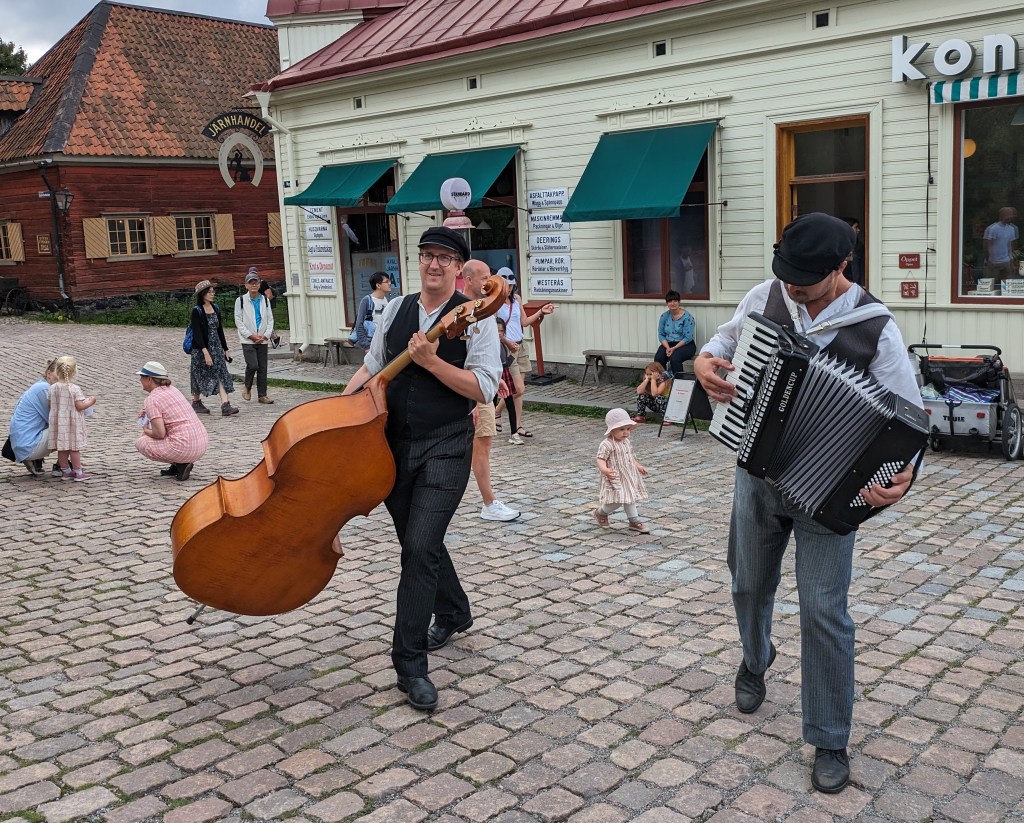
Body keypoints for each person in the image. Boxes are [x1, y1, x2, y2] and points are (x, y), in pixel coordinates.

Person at [694, 212, 923, 795]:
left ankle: (829, 736)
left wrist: (905, 475)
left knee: (824, 612)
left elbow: (909, 421)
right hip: (757, 476)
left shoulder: (876, 328)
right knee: (748, 583)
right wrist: (703, 362)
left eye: (805, 279)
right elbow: (724, 340)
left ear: (841, 266)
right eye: (786, 274)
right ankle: (756, 657)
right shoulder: (766, 295)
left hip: (830, 494)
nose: (792, 286)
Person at [342, 227, 501, 712]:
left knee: (418, 546)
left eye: (444, 258)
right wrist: (337, 413)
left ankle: (410, 665)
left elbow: (483, 388)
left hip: (446, 445)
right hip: (391, 446)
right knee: (420, 542)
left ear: (459, 269)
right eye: (427, 255)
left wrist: (431, 363)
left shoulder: (476, 318)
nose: (434, 264)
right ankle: (453, 610)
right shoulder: (395, 309)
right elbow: (373, 367)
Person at [462, 260, 521, 522]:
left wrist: (494, 379)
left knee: (483, 442)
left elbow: (480, 354)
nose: (489, 282)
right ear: (468, 280)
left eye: (489, 277)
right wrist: (472, 399)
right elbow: (460, 358)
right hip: (469, 390)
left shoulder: (484, 309)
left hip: (481, 386)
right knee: (479, 443)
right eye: (484, 277)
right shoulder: (462, 311)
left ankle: (489, 500)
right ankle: (489, 502)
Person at [495, 268, 555, 439]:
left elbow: (524, 322)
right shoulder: (494, 303)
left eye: (511, 285)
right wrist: (507, 342)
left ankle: (518, 425)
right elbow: (495, 329)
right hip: (507, 348)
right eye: (505, 285)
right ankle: (496, 412)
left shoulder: (517, 299)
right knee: (518, 389)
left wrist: (541, 312)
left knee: (520, 391)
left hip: (521, 346)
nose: (508, 289)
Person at [135, 361, 209, 481]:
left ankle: (180, 464)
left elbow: (159, 433)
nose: (140, 380)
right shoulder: (173, 390)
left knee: (141, 441)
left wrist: (145, 430)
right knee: (171, 432)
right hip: (201, 442)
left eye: (141, 377)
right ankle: (178, 465)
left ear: (149, 379)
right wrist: (147, 411)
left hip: (184, 447)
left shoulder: (152, 399)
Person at [594, 408, 649, 534]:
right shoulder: (607, 444)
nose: (626, 432)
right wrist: (605, 470)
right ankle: (601, 512)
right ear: (612, 430)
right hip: (615, 476)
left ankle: (633, 520)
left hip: (628, 475)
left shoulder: (626, 442)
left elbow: (630, 456)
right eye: (621, 429)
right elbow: (600, 459)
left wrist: (638, 466)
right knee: (618, 501)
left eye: (628, 429)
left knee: (630, 497)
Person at [190, 280, 238, 416]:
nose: (212, 294)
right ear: (203, 294)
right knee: (199, 374)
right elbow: (197, 334)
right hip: (201, 349)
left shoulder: (216, 308)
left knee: (220, 373)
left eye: (213, 291)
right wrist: (205, 352)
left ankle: (225, 405)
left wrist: (225, 348)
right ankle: (196, 402)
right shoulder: (197, 311)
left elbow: (220, 329)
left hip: (216, 348)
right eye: (209, 292)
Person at [6, 357, 59, 476]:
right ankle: (61, 466)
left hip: (22, 441)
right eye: (57, 377)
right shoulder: (45, 389)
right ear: (48, 373)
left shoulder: (39, 385)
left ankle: (37, 460)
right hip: (28, 444)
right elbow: (52, 419)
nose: (60, 382)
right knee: (70, 428)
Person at [48, 355, 96, 481]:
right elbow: (80, 406)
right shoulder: (74, 389)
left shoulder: (52, 388)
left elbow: (49, 404)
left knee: (62, 448)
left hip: (58, 422)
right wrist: (91, 401)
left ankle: (65, 471)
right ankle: (78, 471)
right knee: (74, 448)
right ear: (74, 371)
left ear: (57, 370)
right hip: (72, 423)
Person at [235, 271, 275, 404]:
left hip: (262, 338)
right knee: (253, 365)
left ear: (259, 284)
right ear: (246, 285)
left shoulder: (265, 300)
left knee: (262, 367)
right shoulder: (240, 301)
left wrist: (266, 335)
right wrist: (251, 336)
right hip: (248, 339)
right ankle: (247, 387)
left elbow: (270, 319)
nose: (253, 285)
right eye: (251, 283)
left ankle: (262, 395)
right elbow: (238, 321)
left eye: (256, 282)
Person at [654, 290, 696, 377]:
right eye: (670, 301)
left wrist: (674, 348)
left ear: (679, 302)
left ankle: (678, 381)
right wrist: (667, 347)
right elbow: (661, 334)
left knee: (674, 357)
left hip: (686, 345)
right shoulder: (664, 316)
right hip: (668, 344)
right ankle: (662, 380)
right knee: (658, 358)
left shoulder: (687, 317)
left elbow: (687, 338)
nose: (672, 303)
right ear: (667, 303)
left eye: (675, 301)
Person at [494, 317, 522, 444]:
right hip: (494, 374)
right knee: (491, 403)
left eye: (501, 331)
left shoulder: (503, 345)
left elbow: (506, 361)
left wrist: (513, 353)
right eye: (497, 330)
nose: (499, 333)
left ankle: (514, 433)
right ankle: (487, 430)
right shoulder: (490, 345)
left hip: (504, 373)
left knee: (510, 404)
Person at [353, 271, 392, 351]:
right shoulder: (367, 300)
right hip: (371, 343)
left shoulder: (388, 301)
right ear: (378, 285)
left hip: (384, 342)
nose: (390, 283)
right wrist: (366, 346)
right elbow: (359, 324)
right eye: (386, 281)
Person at [983, 206, 1019, 288]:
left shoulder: (1011, 229)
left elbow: (1010, 246)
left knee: (1007, 286)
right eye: (1009, 215)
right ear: (1003, 215)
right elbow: (987, 245)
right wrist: (990, 260)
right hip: (993, 262)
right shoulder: (993, 228)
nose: (1011, 217)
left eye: (1012, 215)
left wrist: (1011, 261)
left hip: (1006, 262)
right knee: (991, 285)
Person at [250, 266, 282, 348]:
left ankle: (273, 338)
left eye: (254, 274)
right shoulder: (249, 285)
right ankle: (273, 338)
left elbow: (269, 295)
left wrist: (262, 304)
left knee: (264, 324)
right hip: (254, 307)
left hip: (263, 306)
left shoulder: (262, 283)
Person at [842, 217, 865, 286]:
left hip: (856, 283)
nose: (858, 230)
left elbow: (862, 267)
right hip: (843, 283)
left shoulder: (859, 246)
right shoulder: (839, 245)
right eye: (856, 227)